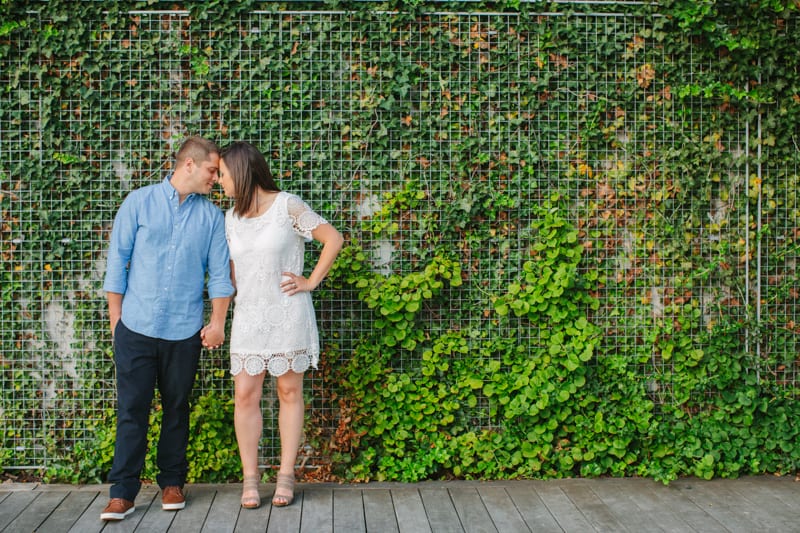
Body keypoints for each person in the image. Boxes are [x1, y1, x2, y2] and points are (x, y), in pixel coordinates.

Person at [100, 136, 235, 521]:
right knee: (132, 410)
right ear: (188, 165)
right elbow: (117, 264)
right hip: (136, 328)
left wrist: (217, 323)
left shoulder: (211, 217)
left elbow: (221, 278)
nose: (216, 177)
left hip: (183, 332)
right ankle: (122, 492)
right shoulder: (138, 203)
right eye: (212, 170)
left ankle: (172, 482)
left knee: (177, 408)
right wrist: (117, 325)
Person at [218, 141, 343, 508]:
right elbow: (231, 273)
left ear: (241, 173)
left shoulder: (287, 205)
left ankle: (286, 476)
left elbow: (333, 238)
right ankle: (251, 480)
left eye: (223, 175)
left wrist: (310, 281)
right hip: (249, 316)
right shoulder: (230, 219)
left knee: (289, 393)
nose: (219, 182)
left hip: (287, 313)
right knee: (245, 395)